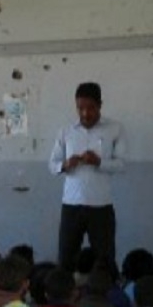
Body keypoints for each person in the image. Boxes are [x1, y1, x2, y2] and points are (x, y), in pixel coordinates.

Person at [49, 82, 126, 271]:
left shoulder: (115, 128)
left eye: (90, 107)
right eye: (80, 108)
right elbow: (52, 165)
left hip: (101, 206)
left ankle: (105, 297)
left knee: (105, 259)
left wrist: (99, 162)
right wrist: (65, 165)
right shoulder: (66, 131)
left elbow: (121, 164)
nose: (85, 113)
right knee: (65, 257)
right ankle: (63, 296)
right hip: (71, 205)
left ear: (100, 105)